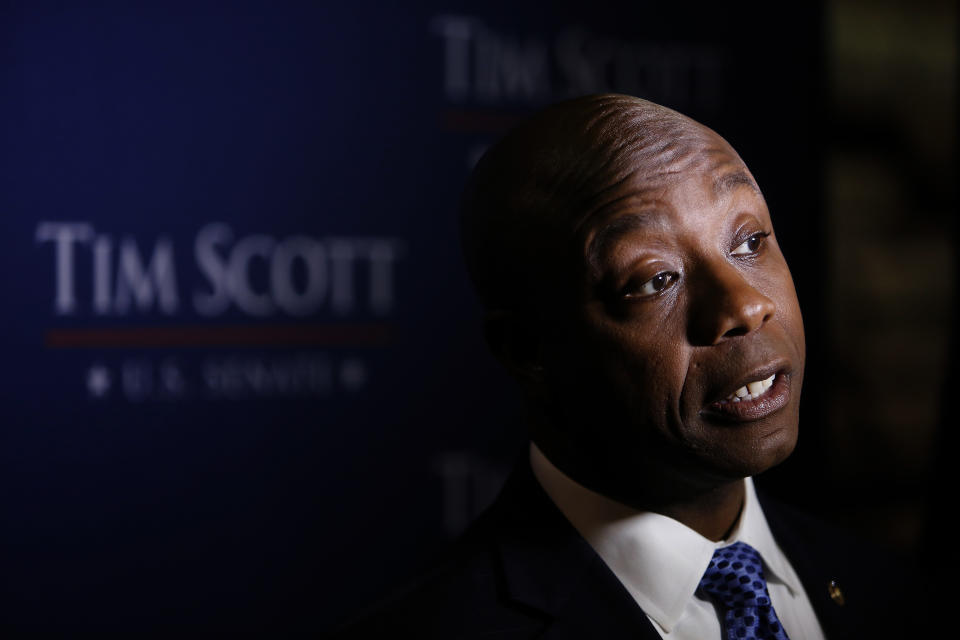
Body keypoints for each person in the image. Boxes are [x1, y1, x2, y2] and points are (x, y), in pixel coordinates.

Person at [334, 94, 919, 639]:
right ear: (526, 349)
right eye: (656, 279)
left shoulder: (893, 593)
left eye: (748, 241)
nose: (745, 304)